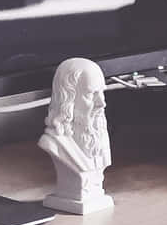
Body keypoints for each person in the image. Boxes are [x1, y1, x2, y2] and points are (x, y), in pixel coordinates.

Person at [38, 58, 113, 214]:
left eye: (102, 92)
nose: (102, 103)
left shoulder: (100, 138)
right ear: (68, 100)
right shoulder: (52, 143)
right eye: (91, 94)